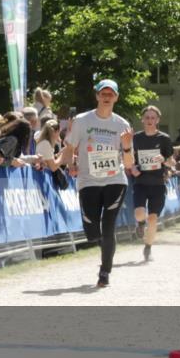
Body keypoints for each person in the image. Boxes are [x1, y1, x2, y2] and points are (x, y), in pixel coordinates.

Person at [58, 80, 134, 287]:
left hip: (115, 180)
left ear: (116, 97)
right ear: (97, 96)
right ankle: (104, 245)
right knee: (92, 229)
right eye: (103, 93)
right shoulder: (82, 120)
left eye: (111, 94)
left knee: (108, 227)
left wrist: (126, 147)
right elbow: (70, 148)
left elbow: (129, 163)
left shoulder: (122, 125)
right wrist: (70, 164)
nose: (107, 97)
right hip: (88, 180)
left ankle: (105, 272)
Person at [128, 105, 175, 262]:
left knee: (153, 219)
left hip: (158, 183)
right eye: (147, 117)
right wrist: (132, 168)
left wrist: (164, 160)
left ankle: (148, 247)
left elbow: (171, 162)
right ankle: (140, 224)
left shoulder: (164, 139)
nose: (149, 120)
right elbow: (129, 160)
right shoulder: (136, 138)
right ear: (142, 119)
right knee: (140, 213)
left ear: (157, 120)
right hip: (141, 181)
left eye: (152, 118)